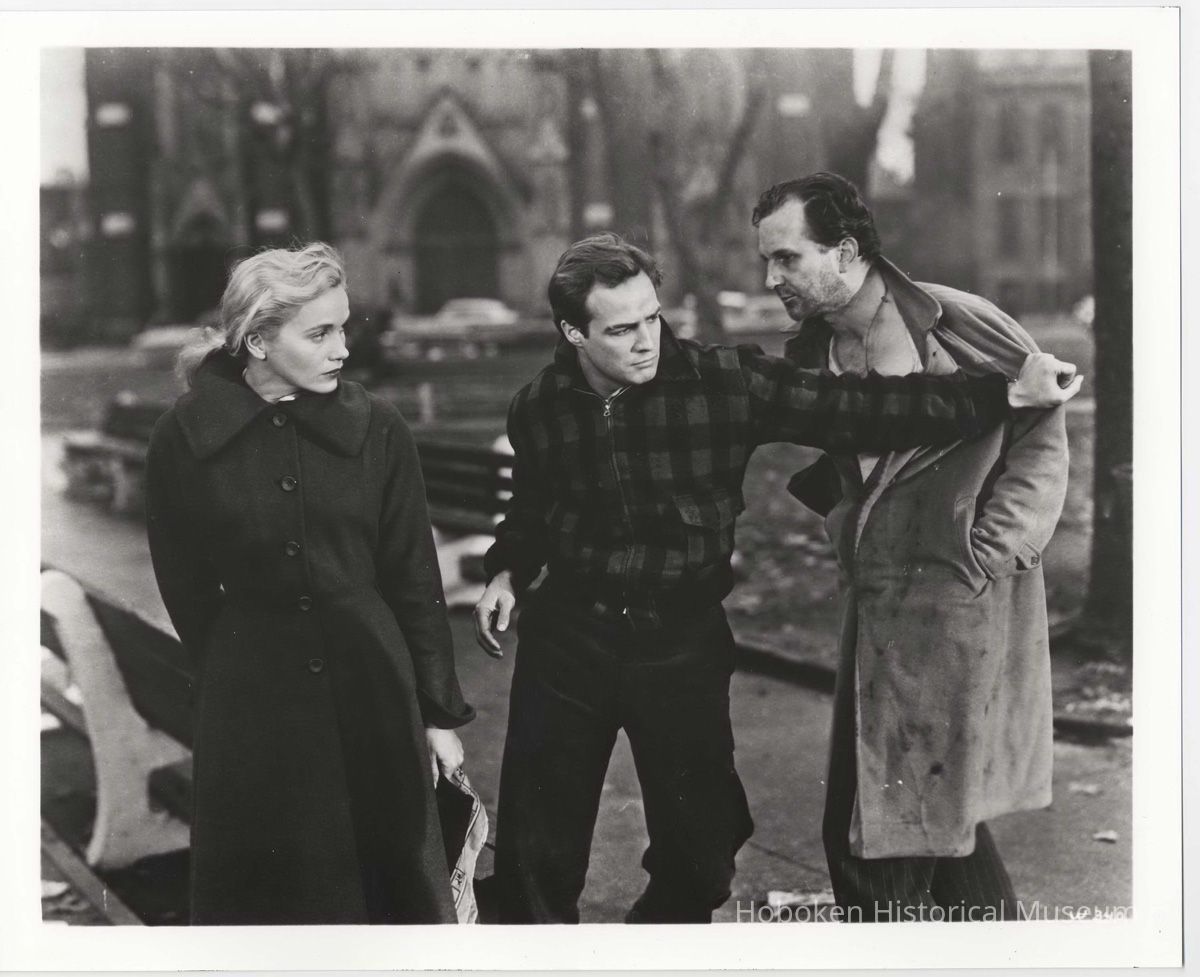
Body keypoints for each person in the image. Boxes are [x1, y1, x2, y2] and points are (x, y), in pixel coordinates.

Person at [472, 233, 1081, 924]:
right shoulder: (539, 406)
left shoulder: (722, 383)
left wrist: (1003, 392)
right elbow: (532, 508)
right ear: (573, 333)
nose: (646, 341)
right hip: (568, 642)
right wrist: (506, 570)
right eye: (621, 330)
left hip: (678, 643)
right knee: (534, 862)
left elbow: (863, 407)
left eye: (652, 317)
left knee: (702, 857)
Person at [753, 172, 1072, 920]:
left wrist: (990, 550)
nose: (771, 279)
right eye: (767, 261)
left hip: (957, 601)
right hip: (874, 603)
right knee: (930, 818)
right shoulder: (813, 352)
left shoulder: (955, 322)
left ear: (845, 251)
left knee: (876, 839)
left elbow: (1043, 425)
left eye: (787, 258)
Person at [146, 243, 474, 925]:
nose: (343, 349)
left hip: (373, 687)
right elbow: (184, 582)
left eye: (343, 328)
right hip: (252, 701)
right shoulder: (184, 436)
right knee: (274, 901)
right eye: (320, 333)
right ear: (258, 340)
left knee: (390, 895)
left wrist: (438, 713)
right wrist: (236, 668)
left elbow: (414, 577)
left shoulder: (378, 428)